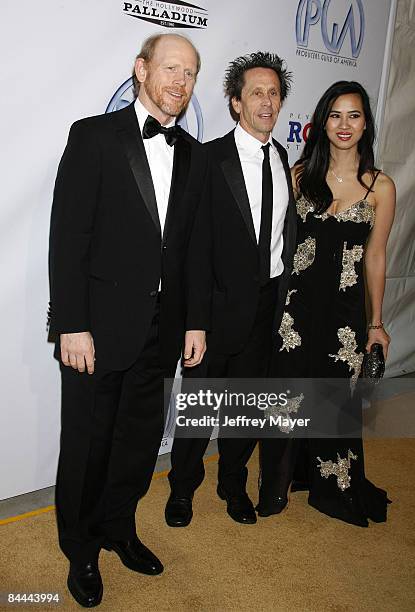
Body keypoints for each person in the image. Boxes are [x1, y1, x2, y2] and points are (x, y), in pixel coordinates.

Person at [48, 33, 210, 607]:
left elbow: (189, 250)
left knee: (140, 442)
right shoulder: (93, 136)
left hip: (162, 330)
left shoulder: (192, 153)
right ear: (141, 70)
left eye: (190, 74)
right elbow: (69, 239)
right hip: (96, 328)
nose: (180, 82)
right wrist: (70, 324)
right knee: (88, 445)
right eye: (170, 69)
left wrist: (192, 322)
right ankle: (82, 548)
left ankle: (119, 528)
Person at [165, 52, 297, 527]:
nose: (267, 101)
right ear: (236, 102)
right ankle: (181, 490)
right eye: (256, 92)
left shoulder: (282, 158)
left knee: (246, 411)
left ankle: (232, 483)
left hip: (265, 310)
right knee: (198, 413)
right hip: (216, 312)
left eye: (274, 93)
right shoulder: (208, 158)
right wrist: (194, 321)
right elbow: (194, 251)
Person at [258, 81, 396, 526]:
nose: (344, 125)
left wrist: (375, 323)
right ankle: (277, 484)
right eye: (336, 115)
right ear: (322, 122)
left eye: (353, 115)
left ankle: (333, 486)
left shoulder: (381, 186)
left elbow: (376, 256)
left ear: (365, 124)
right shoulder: (300, 176)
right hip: (296, 310)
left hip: (345, 313)